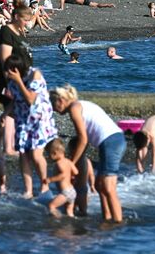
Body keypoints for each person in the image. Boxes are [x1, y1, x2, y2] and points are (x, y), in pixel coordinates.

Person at [50, 85, 127, 223]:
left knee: (108, 188)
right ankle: (107, 218)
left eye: (53, 103)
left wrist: (71, 164)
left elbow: (83, 139)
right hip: (112, 140)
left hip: (111, 141)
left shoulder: (74, 108)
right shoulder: (82, 105)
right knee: (99, 185)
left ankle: (118, 223)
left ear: (61, 100)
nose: (53, 109)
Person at [4, 55, 58, 198]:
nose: (6, 74)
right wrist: (3, 116)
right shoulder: (11, 81)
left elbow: (30, 99)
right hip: (23, 119)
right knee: (23, 153)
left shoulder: (35, 75)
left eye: (8, 71)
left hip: (40, 119)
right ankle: (28, 190)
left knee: (35, 154)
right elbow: (14, 101)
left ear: (16, 70)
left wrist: (18, 81)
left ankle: (44, 185)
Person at [0, 5, 33, 156]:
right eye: (25, 20)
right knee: (11, 111)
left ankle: (13, 142)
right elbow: (5, 59)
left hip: (23, 79)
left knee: (15, 111)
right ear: (16, 17)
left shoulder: (19, 32)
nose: (27, 23)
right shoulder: (6, 32)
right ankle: (8, 147)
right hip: (11, 79)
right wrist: (9, 82)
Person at [43, 138, 79, 217]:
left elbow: (63, 175)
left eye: (49, 154)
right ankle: (72, 223)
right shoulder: (69, 161)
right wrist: (72, 176)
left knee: (51, 206)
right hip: (72, 191)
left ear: (54, 153)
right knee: (69, 212)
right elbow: (76, 172)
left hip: (65, 193)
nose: (48, 157)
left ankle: (58, 221)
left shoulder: (59, 163)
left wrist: (50, 179)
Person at [68, 137, 96, 217]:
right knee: (82, 210)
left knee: (73, 208)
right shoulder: (86, 160)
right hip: (83, 189)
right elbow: (91, 175)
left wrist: (92, 185)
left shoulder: (72, 161)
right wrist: (92, 185)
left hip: (78, 189)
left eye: (70, 149)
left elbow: (91, 175)